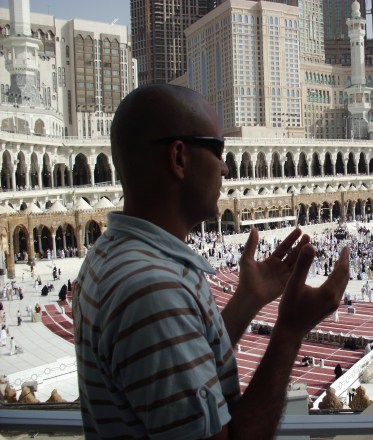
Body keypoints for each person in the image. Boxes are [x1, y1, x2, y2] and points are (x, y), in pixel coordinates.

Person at [72, 84, 350, 440]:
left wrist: (248, 299)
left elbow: (189, 360)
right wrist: (290, 332)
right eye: (218, 150)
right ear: (178, 158)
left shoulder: (109, 254)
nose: (225, 168)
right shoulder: (153, 291)